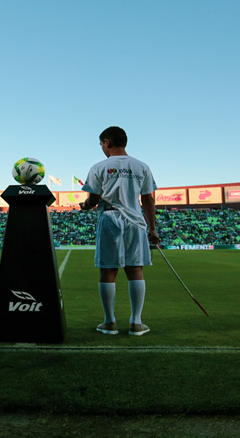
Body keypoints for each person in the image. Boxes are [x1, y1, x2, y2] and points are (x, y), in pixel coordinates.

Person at [79, 126, 159, 336]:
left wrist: (86, 205)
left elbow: (94, 198)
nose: (102, 149)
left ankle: (109, 322)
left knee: (108, 270)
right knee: (135, 270)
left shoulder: (99, 167)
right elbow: (148, 199)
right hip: (135, 221)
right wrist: (152, 228)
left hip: (110, 218)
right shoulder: (142, 166)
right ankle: (136, 322)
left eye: (101, 144)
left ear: (107, 142)